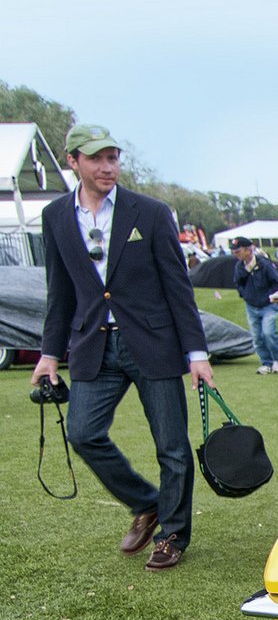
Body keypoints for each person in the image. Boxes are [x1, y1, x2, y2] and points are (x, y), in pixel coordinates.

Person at [31, 124, 216, 571]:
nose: (107, 167)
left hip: (153, 343)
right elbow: (61, 292)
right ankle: (148, 503)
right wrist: (49, 353)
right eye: (96, 159)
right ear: (72, 161)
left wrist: (197, 353)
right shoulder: (56, 216)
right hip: (93, 345)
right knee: (82, 433)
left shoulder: (150, 212)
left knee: (171, 446)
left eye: (113, 158)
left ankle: (172, 536)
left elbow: (178, 287)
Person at [231, 237, 278, 374]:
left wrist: (269, 297)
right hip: (251, 306)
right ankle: (266, 363)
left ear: (248, 250)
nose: (235, 254)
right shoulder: (239, 267)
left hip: (268, 305)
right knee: (257, 337)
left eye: (238, 251)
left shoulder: (264, 264)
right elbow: (238, 284)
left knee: (268, 333)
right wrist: (245, 295)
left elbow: (277, 283)